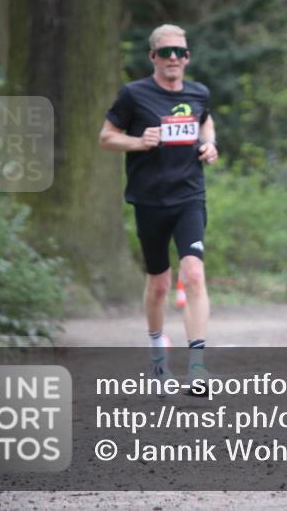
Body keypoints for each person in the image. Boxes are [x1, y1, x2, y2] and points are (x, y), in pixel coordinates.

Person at [98, 24, 218, 392]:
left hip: (189, 197)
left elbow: (205, 121)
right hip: (149, 200)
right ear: (153, 57)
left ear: (187, 57)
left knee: (193, 274)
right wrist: (138, 141)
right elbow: (106, 138)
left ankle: (197, 366)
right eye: (165, 52)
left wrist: (210, 145)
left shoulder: (199, 93)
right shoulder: (134, 94)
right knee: (159, 283)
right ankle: (156, 352)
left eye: (179, 52)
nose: (173, 59)